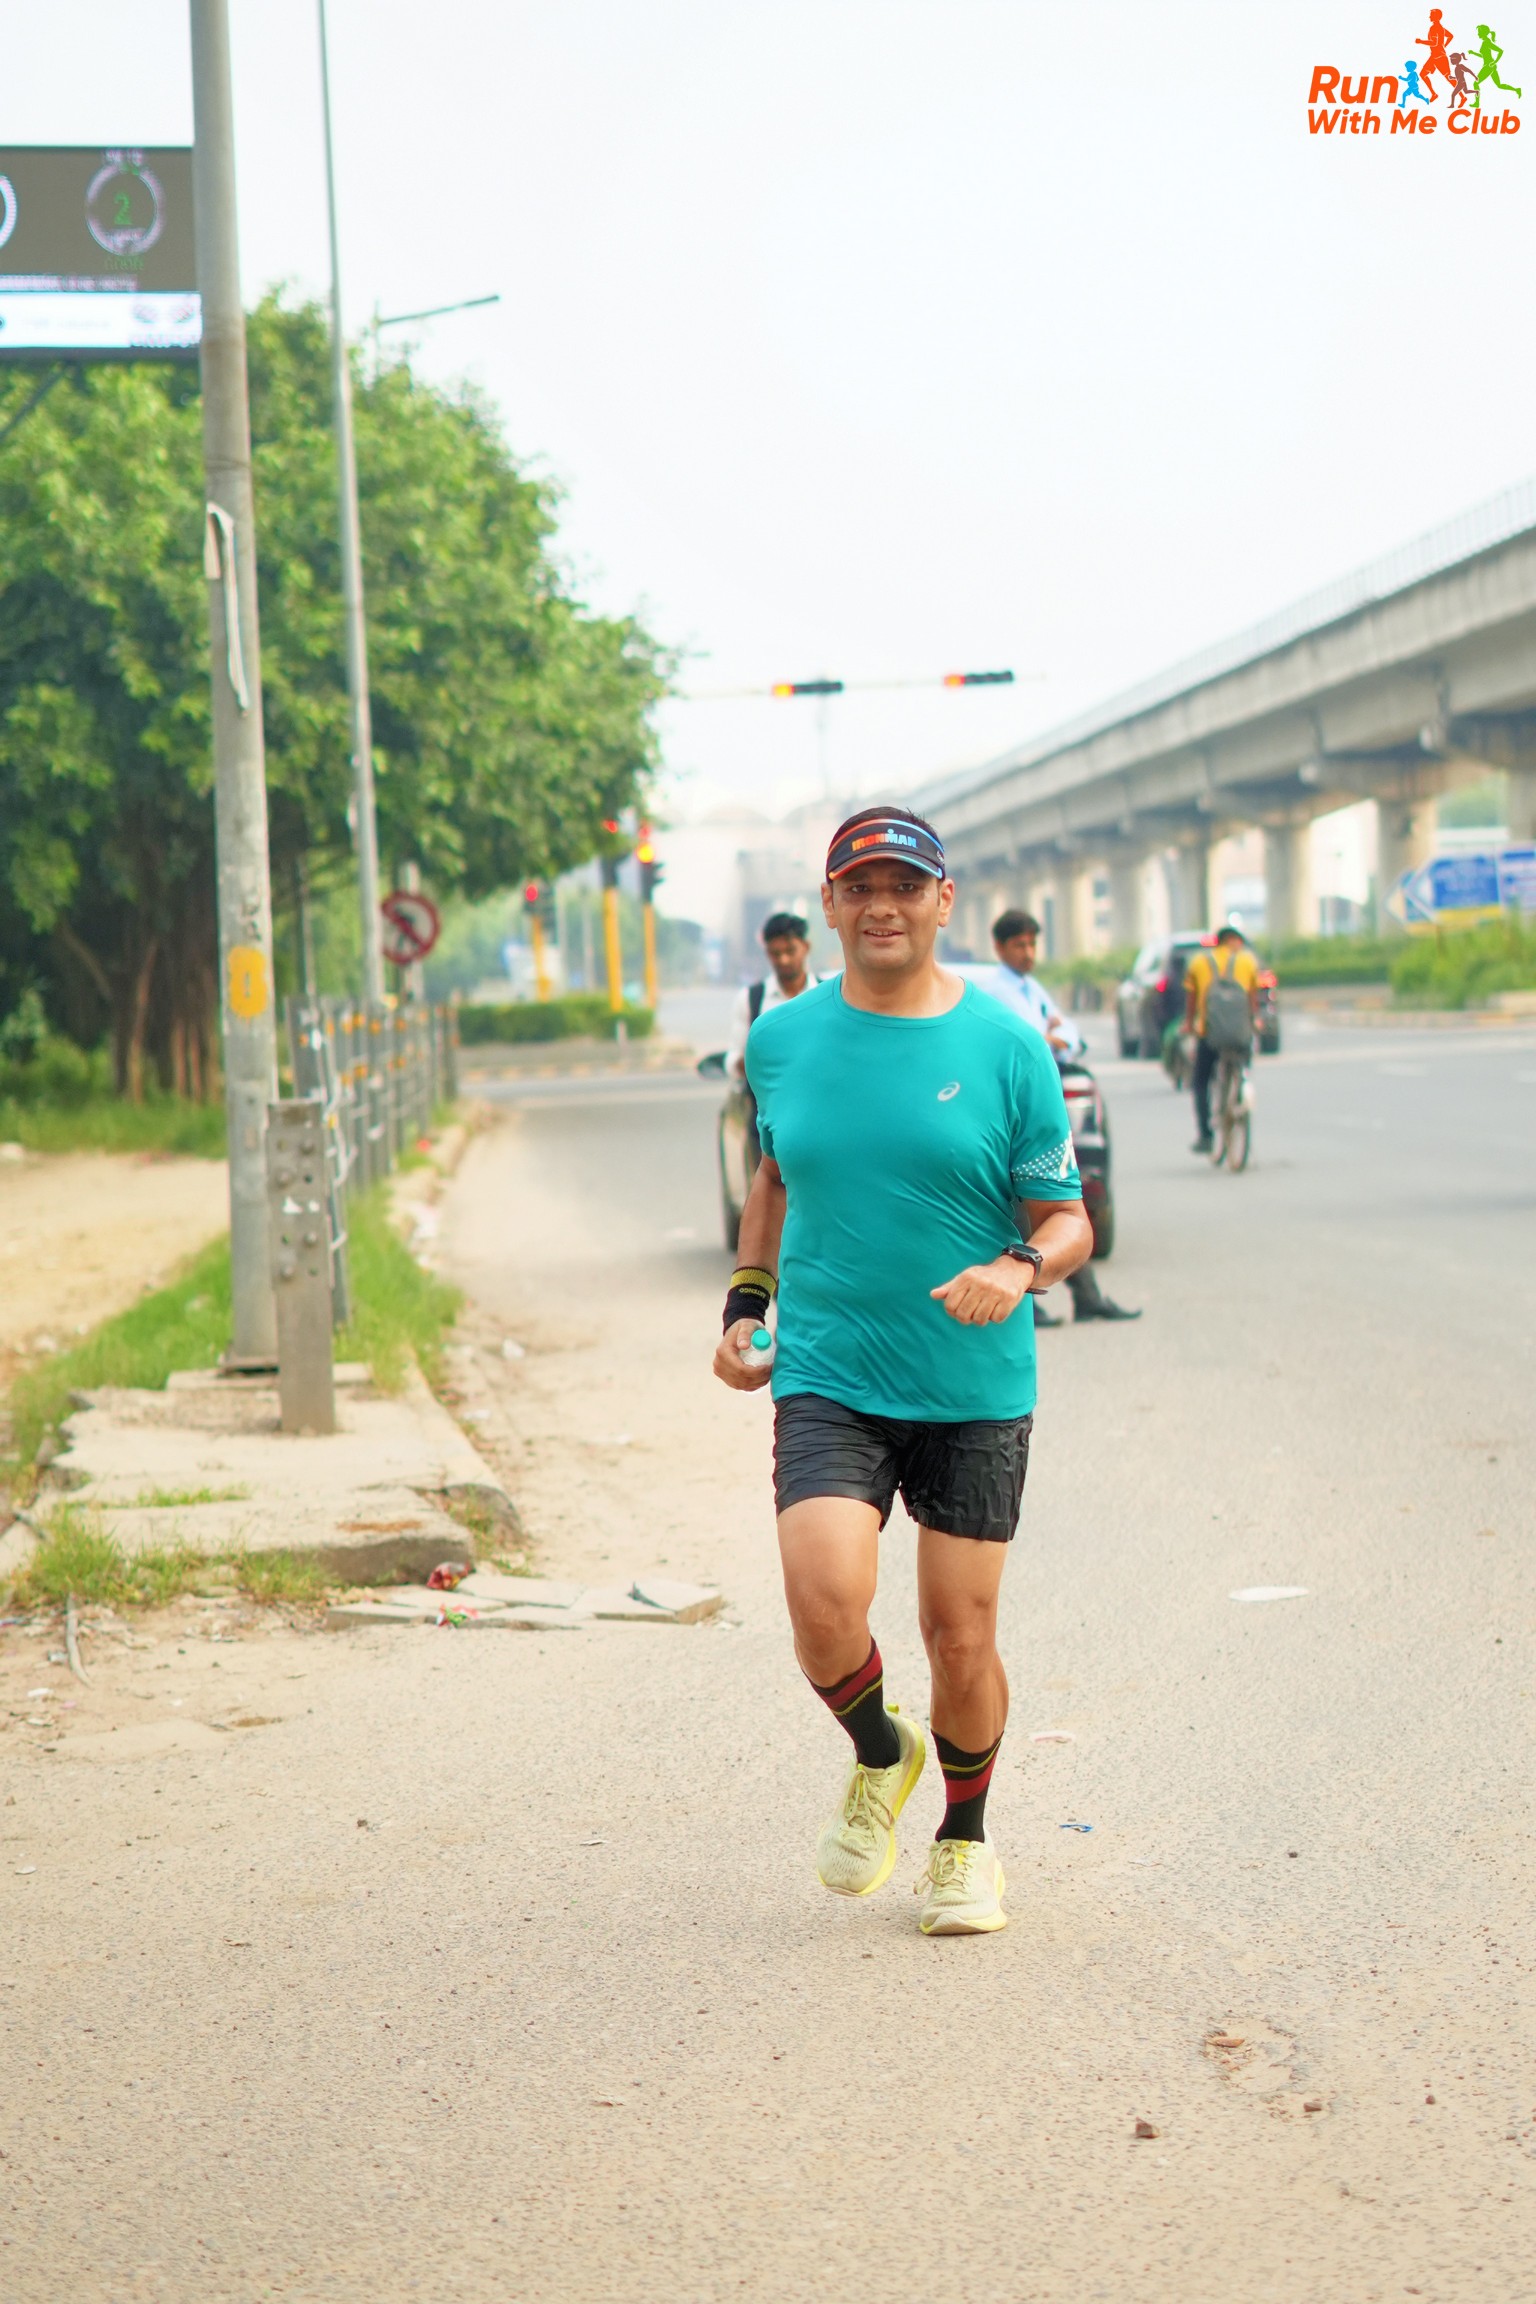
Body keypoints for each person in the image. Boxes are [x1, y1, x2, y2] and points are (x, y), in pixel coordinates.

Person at [713, 805, 1094, 1936]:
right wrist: (747, 1303)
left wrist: (1019, 1267)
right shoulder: (782, 1041)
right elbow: (775, 1176)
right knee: (824, 1605)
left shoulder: (1006, 1047)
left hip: (974, 1381)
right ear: (831, 906)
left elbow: (1068, 1219)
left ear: (942, 901)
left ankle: (966, 1840)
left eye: (905, 886)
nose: (883, 905)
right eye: (861, 886)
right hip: (830, 1369)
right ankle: (883, 1751)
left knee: (958, 1636)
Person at [987, 910, 1140, 1326]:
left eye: (1032, 944)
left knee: (1056, 1203)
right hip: (1012, 1111)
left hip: (1042, 1107)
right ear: (1000, 947)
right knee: (1028, 1205)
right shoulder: (998, 992)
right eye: (1019, 945)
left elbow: (1067, 1035)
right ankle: (1037, 1302)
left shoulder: (1030, 987)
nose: (1028, 952)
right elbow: (1032, 1042)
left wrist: (1056, 1036)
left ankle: (1084, 1297)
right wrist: (1052, 1037)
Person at [1184, 925, 1260, 1154]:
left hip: (1208, 1033)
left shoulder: (1199, 962)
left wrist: (1189, 1023)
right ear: (1236, 941)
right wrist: (1254, 1021)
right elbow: (1253, 998)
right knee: (1243, 1062)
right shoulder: (1248, 961)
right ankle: (1241, 1085)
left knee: (1200, 1082)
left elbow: (1191, 997)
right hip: (1240, 1034)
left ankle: (1205, 1136)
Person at [724, 912, 818, 1082]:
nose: (783, 960)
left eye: (790, 951)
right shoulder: (750, 999)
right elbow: (733, 1059)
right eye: (776, 953)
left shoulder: (827, 995)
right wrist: (756, 1060)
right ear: (767, 953)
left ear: (806, 947)